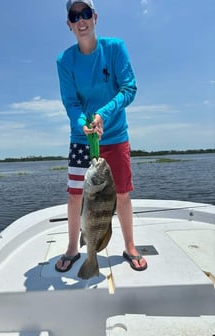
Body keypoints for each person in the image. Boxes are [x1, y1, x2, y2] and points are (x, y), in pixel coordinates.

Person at [55, 0, 147, 273]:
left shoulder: (115, 48)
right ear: (69, 24)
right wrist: (83, 122)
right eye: (74, 15)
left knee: (122, 194)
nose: (81, 20)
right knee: (75, 196)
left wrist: (102, 115)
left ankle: (130, 246)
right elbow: (71, 103)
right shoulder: (64, 61)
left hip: (116, 134)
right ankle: (73, 248)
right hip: (82, 138)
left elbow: (129, 88)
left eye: (85, 14)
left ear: (95, 17)